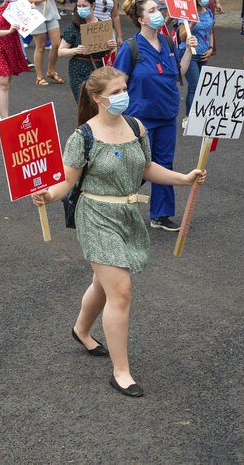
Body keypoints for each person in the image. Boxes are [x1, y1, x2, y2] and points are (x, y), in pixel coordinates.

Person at [29, 67, 206, 397]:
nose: (124, 95)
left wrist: (183, 178)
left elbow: (147, 167)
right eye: (116, 92)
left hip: (127, 214)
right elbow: (66, 181)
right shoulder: (83, 136)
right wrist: (47, 195)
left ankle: (81, 330)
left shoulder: (136, 127)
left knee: (103, 282)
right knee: (120, 290)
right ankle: (121, 372)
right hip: (95, 216)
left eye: (125, 88)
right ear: (98, 98)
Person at [113, 0, 197, 231]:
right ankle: (115, 204)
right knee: (139, 165)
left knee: (164, 164)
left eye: (158, 8)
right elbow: (117, 83)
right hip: (140, 118)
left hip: (167, 115)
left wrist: (188, 50)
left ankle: (161, 215)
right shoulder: (131, 48)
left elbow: (178, 72)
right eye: (152, 10)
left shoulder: (167, 42)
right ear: (141, 19)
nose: (158, 12)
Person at [59, 0, 117, 101]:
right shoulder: (73, 26)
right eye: (79, 6)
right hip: (78, 70)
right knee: (83, 103)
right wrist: (76, 50)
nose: (81, 9)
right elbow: (61, 52)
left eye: (84, 6)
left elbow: (111, 54)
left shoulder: (102, 26)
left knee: (99, 103)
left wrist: (112, 46)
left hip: (99, 71)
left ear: (93, 5)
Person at [23, 0, 64, 86]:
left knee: (56, 44)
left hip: (51, 14)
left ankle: (51, 71)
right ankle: (39, 76)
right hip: (36, 15)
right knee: (40, 47)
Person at [181, 0, 215, 125]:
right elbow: (182, 36)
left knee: (201, 86)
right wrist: (192, 23)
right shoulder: (185, 14)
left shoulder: (208, 12)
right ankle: (188, 117)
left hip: (203, 54)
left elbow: (210, 31)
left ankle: (196, 115)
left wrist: (211, 48)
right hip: (190, 54)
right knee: (195, 86)